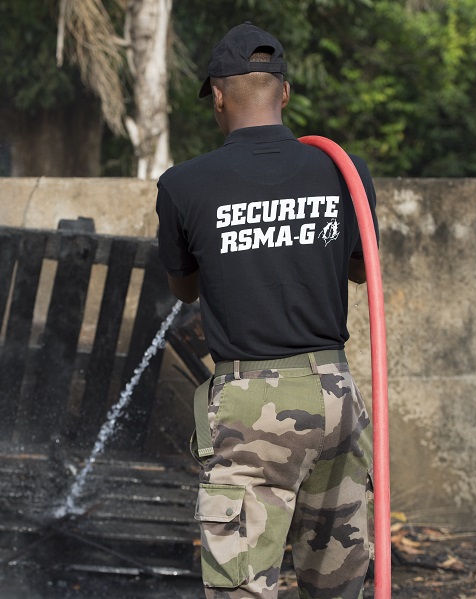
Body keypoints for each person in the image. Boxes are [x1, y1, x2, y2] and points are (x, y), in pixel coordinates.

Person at [155, 22, 378, 599]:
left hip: (252, 406)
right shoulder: (343, 172)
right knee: (339, 585)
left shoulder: (183, 185)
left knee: (242, 589)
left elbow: (183, 289)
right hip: (334, 395)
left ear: (219, 97)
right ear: (285, 92)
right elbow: (362, 269)